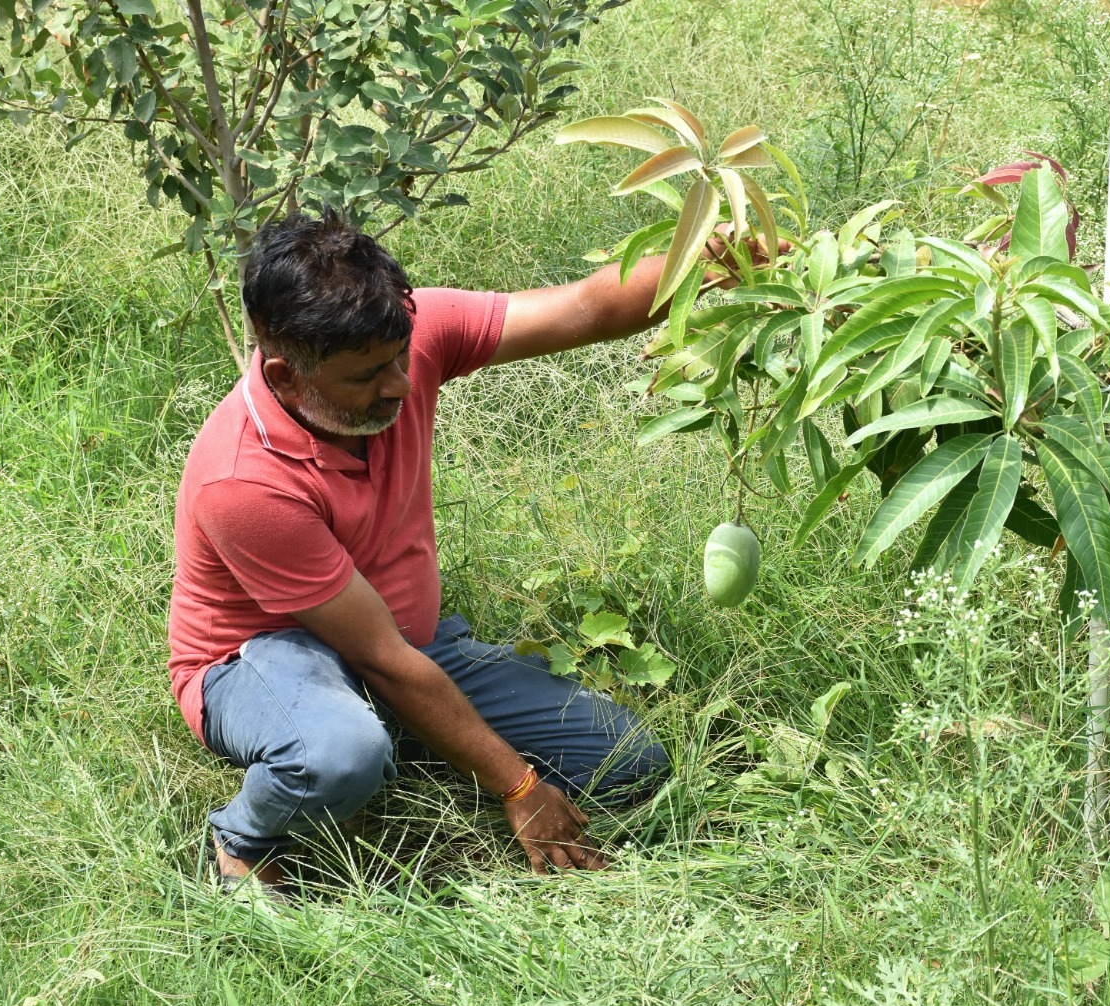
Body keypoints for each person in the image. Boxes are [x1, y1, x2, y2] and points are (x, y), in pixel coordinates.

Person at [168, 210, 758, 890]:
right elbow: (380, 659)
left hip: (406, 646)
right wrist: (517, 786)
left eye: (399, 359)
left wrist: (714, 261)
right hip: (260, 663)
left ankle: (397, 733)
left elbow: (588, 307)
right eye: (366, 378)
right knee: (340, 754)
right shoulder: (241, 480)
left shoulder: (399, 337)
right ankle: (247, 834)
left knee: (629, 759)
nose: (400, 384)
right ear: (287, 375)